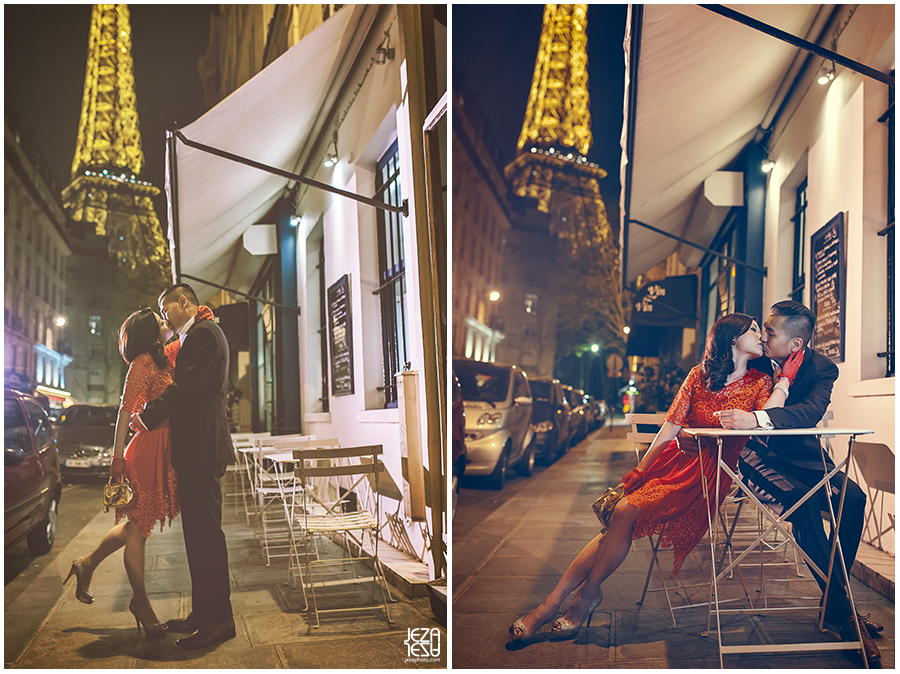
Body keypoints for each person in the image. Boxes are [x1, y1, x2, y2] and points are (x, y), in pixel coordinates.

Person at [509, 313, 801, 642]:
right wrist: (640, 471)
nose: (761, 336)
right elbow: (671, 427)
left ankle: (572, 601)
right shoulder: (698, 376)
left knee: (622, 514)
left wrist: (784, 381)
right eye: (753, 330)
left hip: (709, 473)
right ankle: (565, 602)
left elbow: (769, 418)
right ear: (732, 339)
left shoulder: (759, 383)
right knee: (618, 520)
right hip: (674, 464)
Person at [716, 300, 881, 664]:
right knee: (804, 508)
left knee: (852, 500)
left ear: (796, 345)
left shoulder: (821, 368)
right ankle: (847, 616)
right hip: (757, 458)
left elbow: (810, 412)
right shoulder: (751, 360)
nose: (761, 336)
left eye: (769, 332)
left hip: (805, 458)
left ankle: (835, 601)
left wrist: (756, 418)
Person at [63, 307, 186, 639]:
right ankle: (141, 603)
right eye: (161, 321)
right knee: (139, 528)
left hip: (165, 447)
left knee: (136, 525)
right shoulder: (141, 364)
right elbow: (124, 413)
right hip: (146, 450)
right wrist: (117, 459)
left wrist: (200, 316)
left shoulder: (165, 355)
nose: (167, 323)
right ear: (149, 331)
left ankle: (86, 564)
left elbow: (187, 337)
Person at [132, 284, 236, 649]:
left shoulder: (205, 334)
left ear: (183, 302)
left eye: (166, 308)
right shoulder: (202, 333)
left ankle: (219, 621)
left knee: (206, 537)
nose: (165, 316)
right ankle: (204, 613)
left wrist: (147, 415)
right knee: (198, 536)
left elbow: (185, 387)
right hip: (198, 448)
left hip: (203, 448)